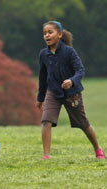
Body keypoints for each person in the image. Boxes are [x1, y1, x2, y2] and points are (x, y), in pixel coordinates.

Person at [36, 21, 105, 160]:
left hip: (72, 94)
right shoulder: (43, 54)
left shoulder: (69, 51)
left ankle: (98, 149)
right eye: (44, 33)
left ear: (59, 35)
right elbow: (42, 77)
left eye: (50, 32)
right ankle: (46, 156)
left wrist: (71, 81)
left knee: (83, 124)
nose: (47, 36)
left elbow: (80, 70)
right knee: (46, 121)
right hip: (53, 92)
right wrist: (40, 98)